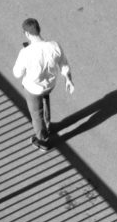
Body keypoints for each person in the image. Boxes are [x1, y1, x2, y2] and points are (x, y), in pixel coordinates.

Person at [13, 18, 74, 151]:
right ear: (39, 29)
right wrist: (68, 79)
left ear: (27, 34)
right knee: (45, 100)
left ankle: (43, 140)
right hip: (50, 85)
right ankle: (47, 124)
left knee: (36, 114)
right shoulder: (54, 46)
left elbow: (17, 73)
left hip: (33, 88)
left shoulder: (26, 53)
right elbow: (64, 64)